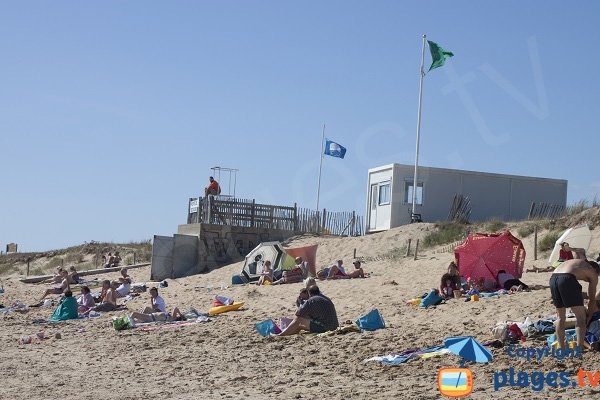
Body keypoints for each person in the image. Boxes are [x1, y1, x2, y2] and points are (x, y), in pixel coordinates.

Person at [550, 258, 599, 349]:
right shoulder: (593, 272)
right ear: (597, 271)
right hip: (567, 279)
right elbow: (592, 299)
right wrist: (589, 316)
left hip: (553, 278)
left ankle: (561, 347)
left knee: (560, 318)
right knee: (581, 318)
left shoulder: (579, 264)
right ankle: (579, 349)